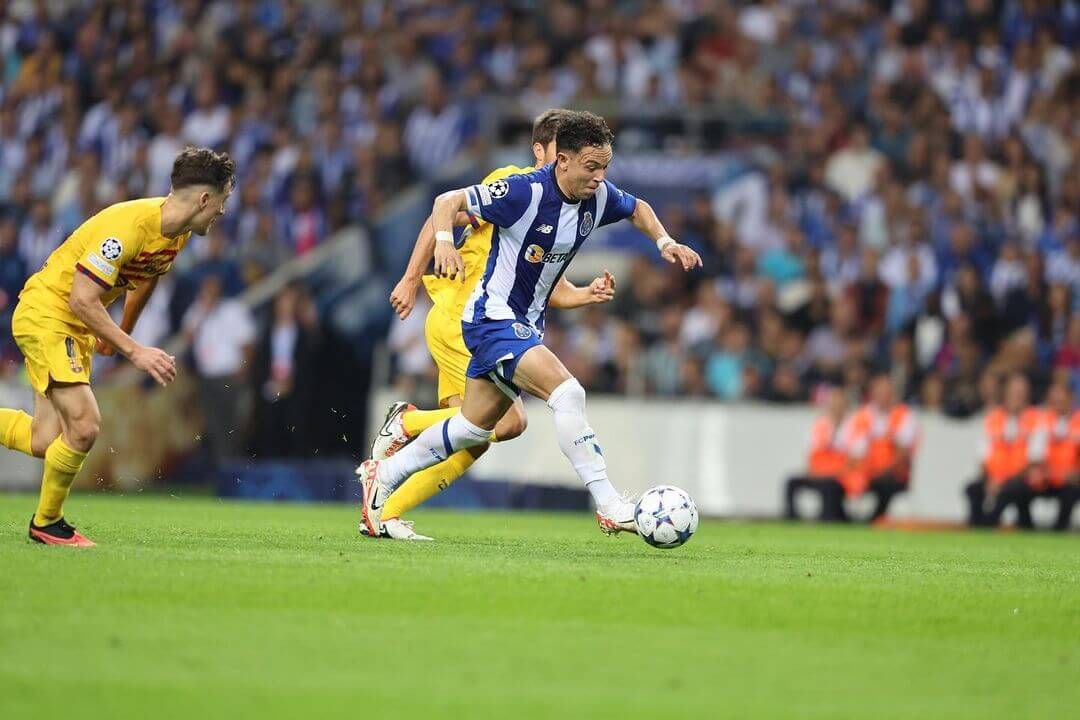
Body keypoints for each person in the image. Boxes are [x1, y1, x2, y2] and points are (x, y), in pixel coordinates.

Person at [356, 111, 701, 538]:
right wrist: (443, 246)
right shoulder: (524, 190)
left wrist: (665, 241)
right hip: (489, 318)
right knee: (568, 392)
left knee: (474, 429)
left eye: (605, 168)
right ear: (562, 161)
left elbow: (639, 209)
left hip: (522, 324)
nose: (599, 177)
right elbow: (446, 202)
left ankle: (383, 475)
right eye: (591, 167)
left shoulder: (598, 196)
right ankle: (610, 504)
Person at [0, 146, 234, 546]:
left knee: (44, 439)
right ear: (204, 199)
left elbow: (146, 275)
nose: (223, 212)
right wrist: (135, 350)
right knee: (86, 425)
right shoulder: (129, 226)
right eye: (223, 201)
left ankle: (47, 522)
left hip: (73, 324)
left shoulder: (174, 235)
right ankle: (47, 522)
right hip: (51, 314)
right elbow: (81, 298)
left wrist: (123, 327)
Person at [964, 374, 1044, 529]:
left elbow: (1035, 459)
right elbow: (983, 456)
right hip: (994, 478)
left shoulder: (1036, 419)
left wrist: (1004, 482)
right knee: (972, 488)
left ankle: (987, 525)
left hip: (1024, 480)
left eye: (1021, 392)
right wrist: (989, 479)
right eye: (1014, 392)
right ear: (1005, 393)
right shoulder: (993, 418)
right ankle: (975, 525)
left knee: (1011, 489)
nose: (1017, 396)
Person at [839, 373, 919, 522]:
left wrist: (879, 471)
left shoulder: (903, 416)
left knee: (884, 484)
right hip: (866, 470)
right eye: (879, 391)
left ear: (892, 394)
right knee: (838, 483)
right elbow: (854, 450)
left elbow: (903, 454)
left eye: (886, 392)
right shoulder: (863, 416)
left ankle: (875, 520)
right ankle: (842, 520)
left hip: (892, 473)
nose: (882, 396)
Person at [784, 386, 850, 522]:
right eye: (834, 404)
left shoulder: (852, 427)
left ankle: (828, 520)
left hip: (841, 476)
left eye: (839, 405)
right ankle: (792, 520)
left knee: (830, 486)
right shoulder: (820, 426)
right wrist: (814, 471)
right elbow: (812, 453)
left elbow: (855, 458)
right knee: (791, 482)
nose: (836, 408)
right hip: (820, 473)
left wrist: (835, 472)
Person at [1036, 382, 1079, 531]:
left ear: (1071, 399)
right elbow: (1035, 454)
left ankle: (1060, 528)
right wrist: (1043, 470)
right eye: (1053, 402)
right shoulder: (1042, 421)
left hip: (1073, 479)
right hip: (1047, 478)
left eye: (1061, 401)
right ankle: (1025, 525)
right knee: (1017, 488)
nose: (1057, 405)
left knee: (1070, 490)